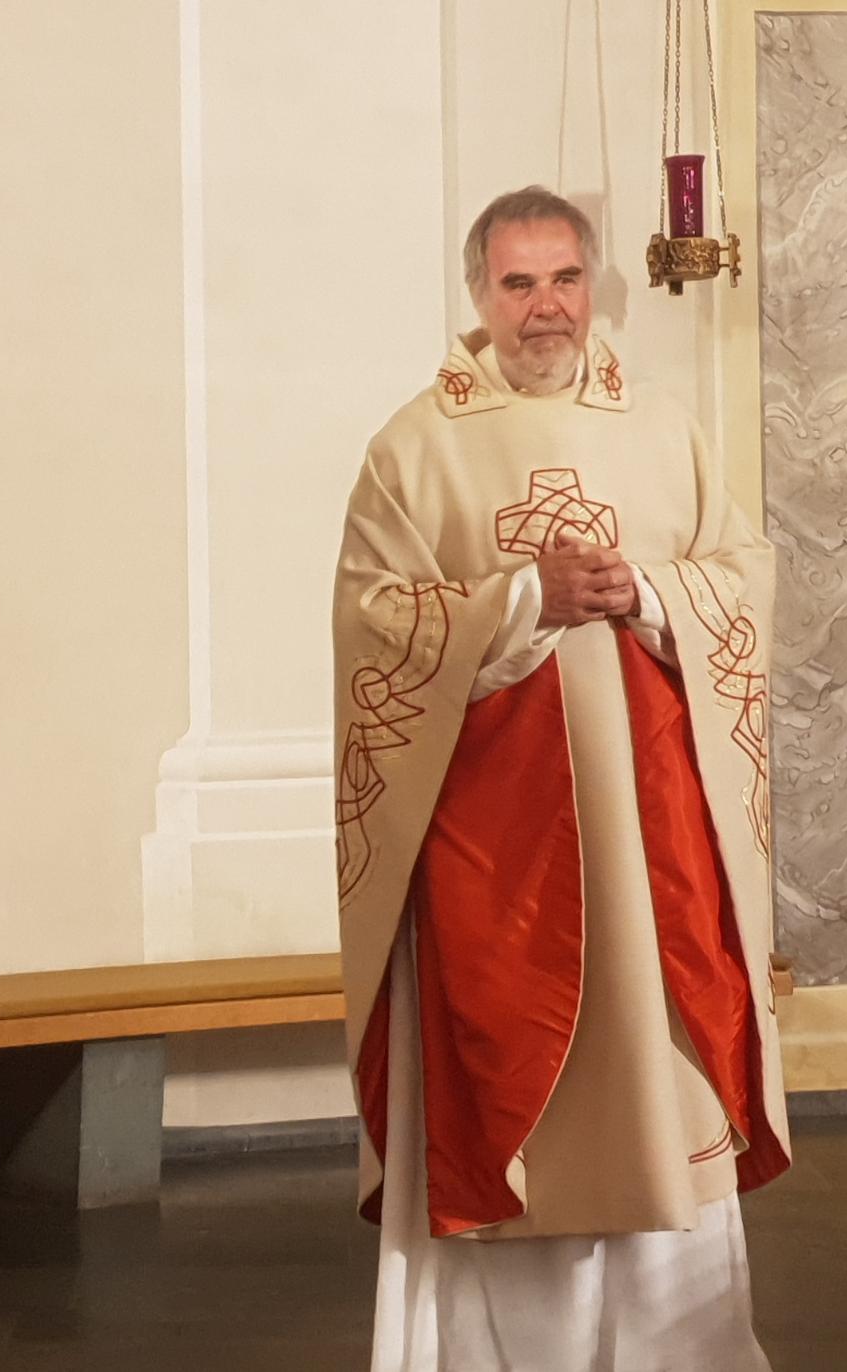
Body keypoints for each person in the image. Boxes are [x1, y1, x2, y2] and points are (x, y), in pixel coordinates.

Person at [332, 186, 789, 1370]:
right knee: (502, 1075)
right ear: (477, 296)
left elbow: (739, 571)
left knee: (660, 1076)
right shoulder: (413, 445)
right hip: (492, 850)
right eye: (517, 284)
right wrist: (525, 598)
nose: (544, 309)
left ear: (594, 288)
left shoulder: (663, 426)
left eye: (563, 280)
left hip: (648, 847)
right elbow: (373, 626)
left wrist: (642, 591)